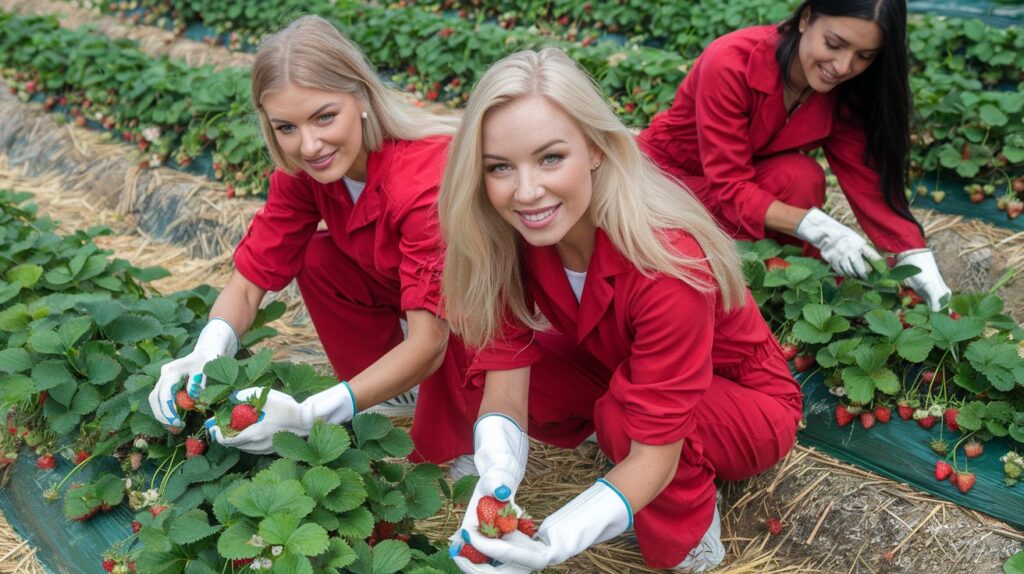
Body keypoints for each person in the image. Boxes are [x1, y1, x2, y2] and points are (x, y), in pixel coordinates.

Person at [440, 48, 803, 573]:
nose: (526, 191)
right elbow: (506, 372)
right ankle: (619, 436)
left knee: (625, 415)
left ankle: (695, 538)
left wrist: (552, 542)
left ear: (594, 149)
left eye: (549, 158)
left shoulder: (668, 262)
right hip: (628, 366)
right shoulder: (513, 236)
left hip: (746, 402)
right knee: (476, 350)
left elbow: (653, 449)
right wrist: (493, 486)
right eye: (500, 167)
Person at [147, 15, 478, 466]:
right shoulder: (306, 175)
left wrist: (311, 415)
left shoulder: (420, 180)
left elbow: (431, 339)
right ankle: (388, 387)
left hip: (484, 314)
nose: (309, 145)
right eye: (286, 127)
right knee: (320, 256)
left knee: (441, 441)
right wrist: (209, 347)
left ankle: (469, 426)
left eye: (325, 117)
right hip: (416, 297)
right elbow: (249, 282)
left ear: (360, 96)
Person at [638, 0, 951, 310]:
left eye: (864, 56)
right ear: (806, 18)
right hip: (665, 186)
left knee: (801, 176)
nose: (843, 67)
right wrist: (819, 229)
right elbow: (730, 186)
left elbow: (867, 184)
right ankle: (749, 280)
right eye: (834, 44)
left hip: (737, 193)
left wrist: (913, 253)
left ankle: (782, 285)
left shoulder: (845, 95)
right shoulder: (731, 62)